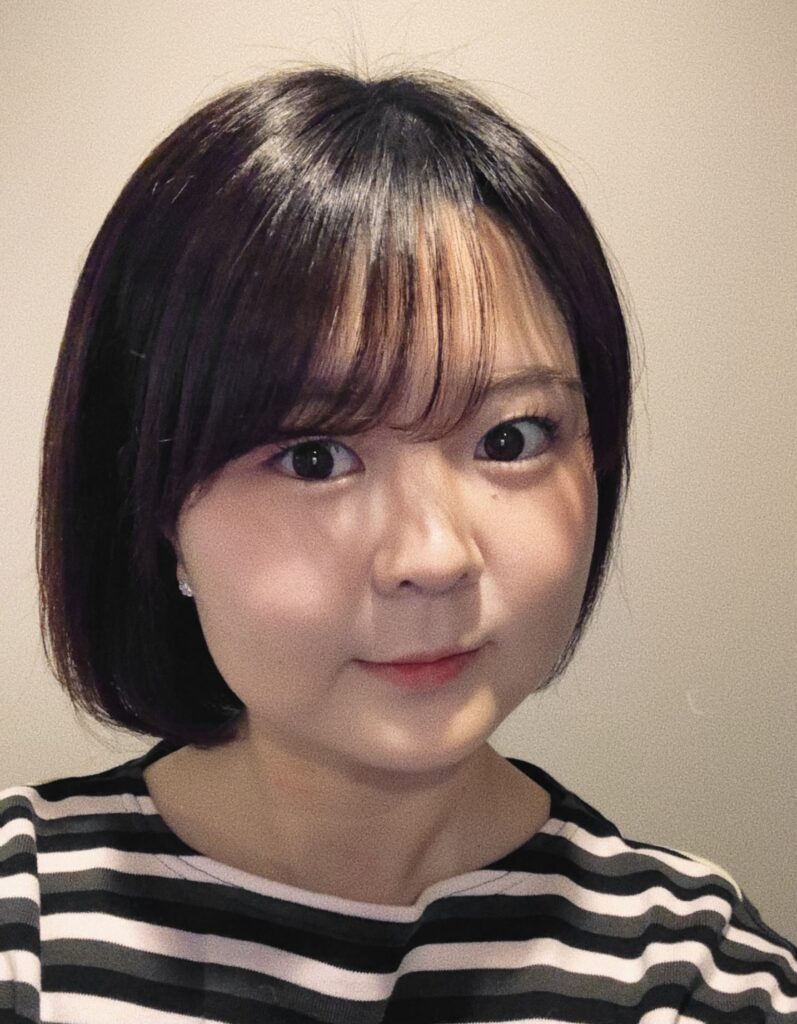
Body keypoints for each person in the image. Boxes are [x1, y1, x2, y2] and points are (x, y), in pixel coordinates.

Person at [1, 65, 794, 1024]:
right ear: (157, 508)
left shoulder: (695, 971)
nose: (432, 556)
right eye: (314, 456)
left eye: (510, 438)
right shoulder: (23, 923)